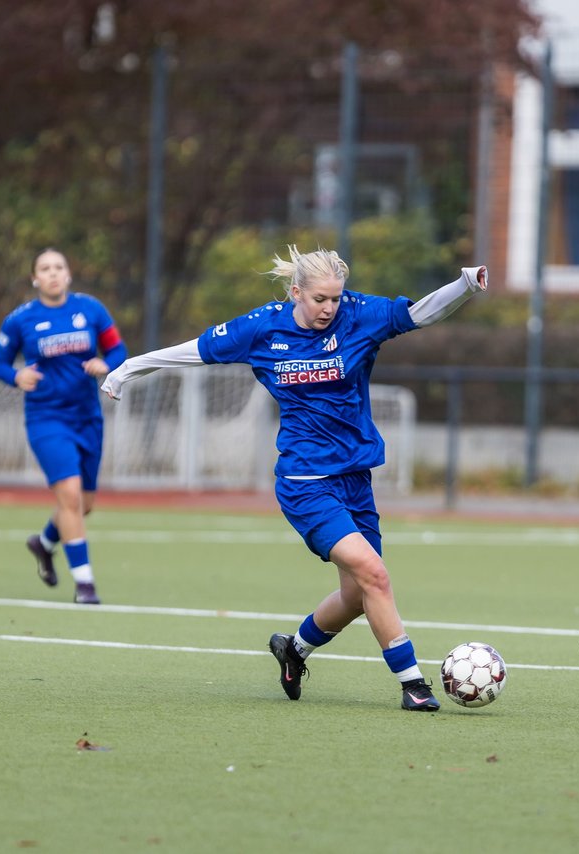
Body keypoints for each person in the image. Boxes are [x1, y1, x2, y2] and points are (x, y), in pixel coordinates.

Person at [102, 246, 487, 712]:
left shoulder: (360, 314)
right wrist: (127, 368)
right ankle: (413, 684)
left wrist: (465, 285)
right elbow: (195, 352)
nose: (329, 308)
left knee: (356, 594)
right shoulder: (263, 327)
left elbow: (419, 313)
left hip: (355, 478)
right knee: (374, 575)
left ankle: (294, 648)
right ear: (296, 292)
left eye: (335, 299)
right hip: (305, 483)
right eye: (320, 299)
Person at [0, 248, 128, 605]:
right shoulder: (21, 319)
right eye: (44, 269)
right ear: (35, 278)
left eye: (59, 267)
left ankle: (44, 543)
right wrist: (16, 375)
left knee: (84, 504)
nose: (52, 273)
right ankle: (85, 585)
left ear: (68, 274)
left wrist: (104, 363)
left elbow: (118, 351)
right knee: (68, 496)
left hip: (88, 417)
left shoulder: (91, 310)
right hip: (46, 419)